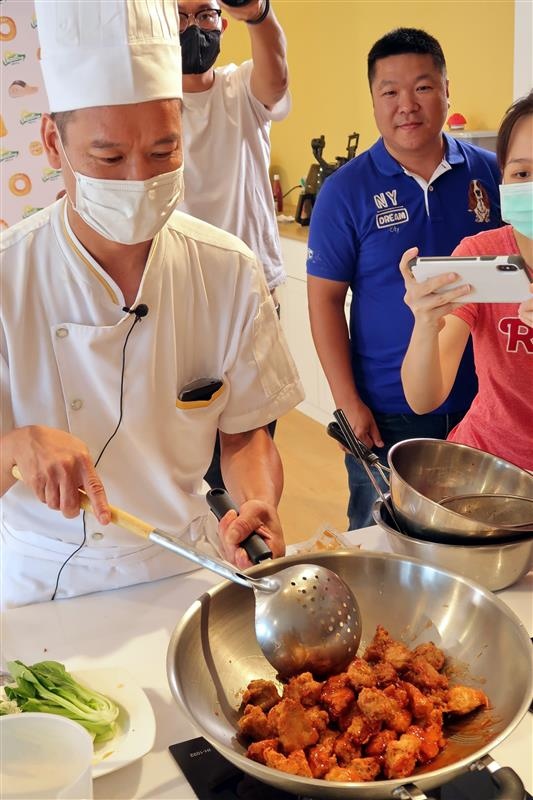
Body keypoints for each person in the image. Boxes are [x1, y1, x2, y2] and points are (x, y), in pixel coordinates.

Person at [0, 0, 304, 609]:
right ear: (54, 143)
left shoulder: (225, 268)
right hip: (39, 583)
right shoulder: (10, 275)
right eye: (109, 158)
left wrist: (256, 503)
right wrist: (14, 445)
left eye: (164, 153)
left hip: (182, 566)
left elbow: (244, 434)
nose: (139, 179)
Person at [306, 27, 502, 531]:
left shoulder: (493, 175)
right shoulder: (344, 191)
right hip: (387, 409)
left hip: (485, 402)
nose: (407, 104)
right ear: (373, 101)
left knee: (477, 529)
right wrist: (348, 403)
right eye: (389, 91)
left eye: (422, 87)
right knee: (381, 532)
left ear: (445, 90)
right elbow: (325, 301)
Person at [177, 0, 290, 490]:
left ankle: (251, 534)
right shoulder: (145, 101)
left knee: (252, 432)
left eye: (204, 16)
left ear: (222, 22)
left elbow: (277, 77)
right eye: (179, 18)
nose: (193, 28)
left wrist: (259, 13)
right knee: (185, 443)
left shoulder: (240, 86)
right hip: (178, 295)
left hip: (253, 291)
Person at [400, 91, 533, 470]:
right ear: (503, 179)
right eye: (522, 173)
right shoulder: (482, 254)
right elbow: (423, 398)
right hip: (486, 470)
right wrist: (426, 324)